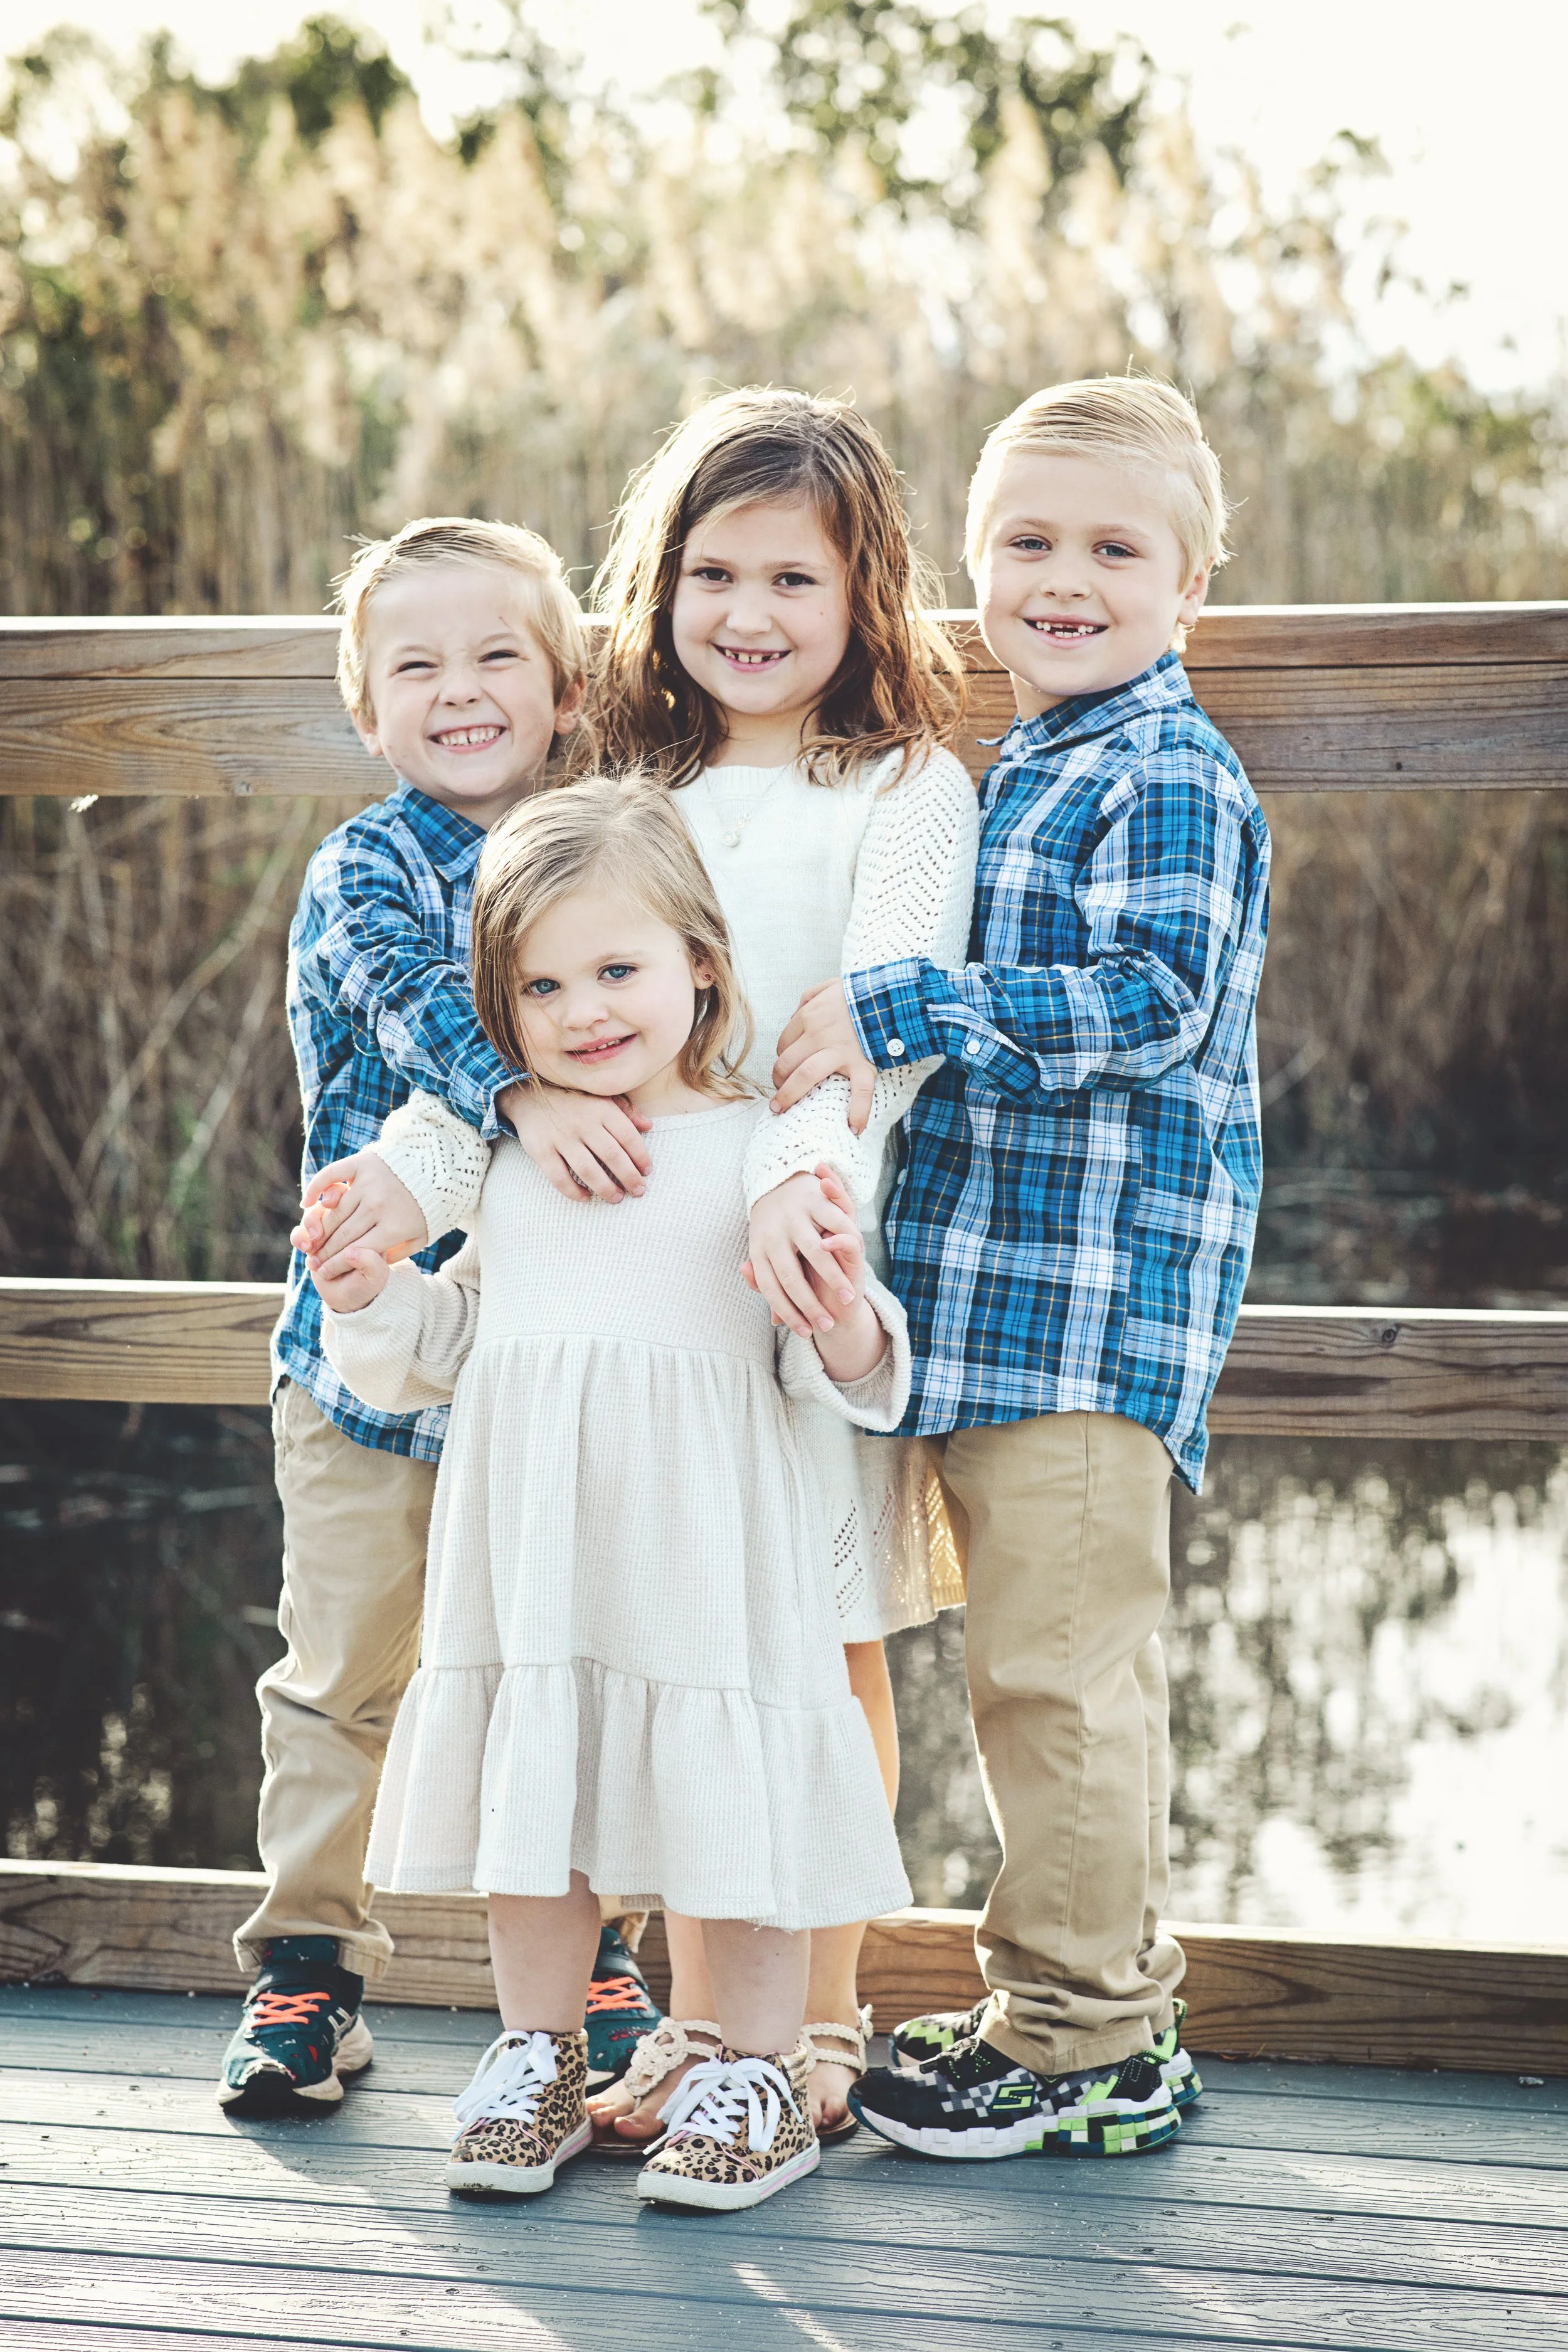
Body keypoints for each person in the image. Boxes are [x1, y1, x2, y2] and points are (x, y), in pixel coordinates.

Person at [297, 389, 980, 2139]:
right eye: (710, 571)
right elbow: (546, 960)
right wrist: (516, 1099)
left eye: (791, 579)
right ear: (658, 584)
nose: (747, 614)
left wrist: (789, 1187)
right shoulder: (629, 774)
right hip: (619, 1217)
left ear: (862, 593)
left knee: (816, 1631)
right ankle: (683, 2028)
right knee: (648, 1627)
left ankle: (808, 2022)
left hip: (791, 1229)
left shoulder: (900, 782)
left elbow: (859, 1034)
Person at [770, 376, 1271, 2159]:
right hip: (981, 1318)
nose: (1063, 578)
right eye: (1027, 543)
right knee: (1018, 1674)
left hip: (1095, 1312)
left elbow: (1154, 1001)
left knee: (1063, 1676)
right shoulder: (1025, 760)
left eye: (1112, 548)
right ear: (974, 567)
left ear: (1188, 585)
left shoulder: (1166, 768)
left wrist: (905, 1003)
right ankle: (1063, 1996)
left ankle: (1090, 2036)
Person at [312, 776, 913, 2210]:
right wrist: (366, 1296)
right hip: (537, 1549)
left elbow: (849, 1364)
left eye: (619, 971)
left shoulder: (766, 1147)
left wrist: (834, 1317)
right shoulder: (507, 1153)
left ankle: (753, 2070)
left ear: (700, 963)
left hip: (708, 1547)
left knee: (729, 1801)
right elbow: (450, 1351)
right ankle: (541, 2051)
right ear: (498, 1011)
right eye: (543, 986)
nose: (586, 1012)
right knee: (542, 1811)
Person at [219, 518, 662, 2118]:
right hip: (365, 1360)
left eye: (497, 660)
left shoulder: (616, 851)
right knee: (339, 1670)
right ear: (366, 707)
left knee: (578, 1652)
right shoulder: (369, 868)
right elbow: (420, 1005)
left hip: (555, 1360)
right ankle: (308, 1972)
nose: (460, 692)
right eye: (416, 667)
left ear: (564, 686)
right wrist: (523, 1091)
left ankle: (599, 1954)